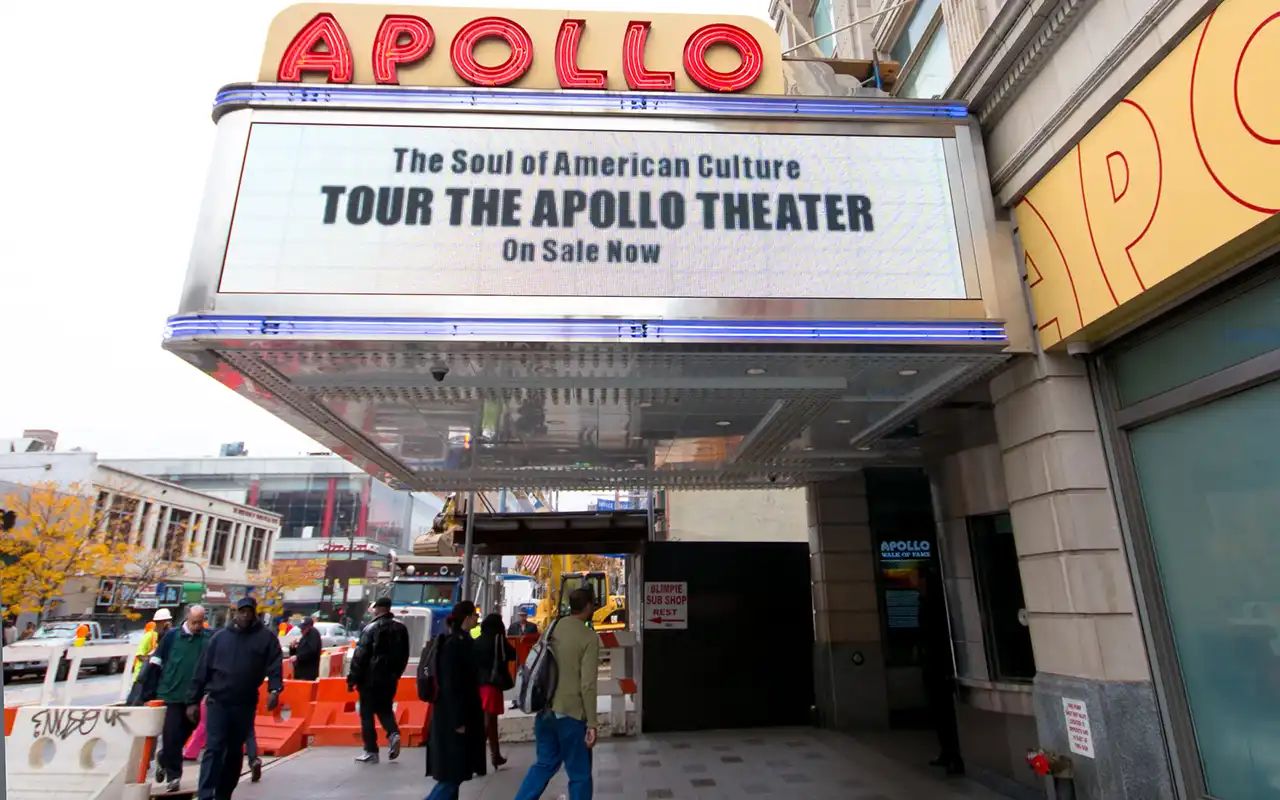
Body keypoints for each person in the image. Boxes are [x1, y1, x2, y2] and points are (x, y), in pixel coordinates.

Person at [189, 596, 283, 800]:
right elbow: (202, 670)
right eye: (242, 611)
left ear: (254, 614)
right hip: (218, 702)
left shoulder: (265, 638)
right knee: (213, 749)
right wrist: (192, 701)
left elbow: (275, 666)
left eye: (249, 612)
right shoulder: (219, 638)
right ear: (235, 613)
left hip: (244, 703)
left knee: (233, 753)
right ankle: (205, 795)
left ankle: (224, 794)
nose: (245, 615)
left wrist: (275, 690)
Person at [512, 588, 600, 800]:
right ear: (588, 606)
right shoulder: (589, 637)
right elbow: (587, 684)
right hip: (570, 714)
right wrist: (593, 723)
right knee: (579, 774)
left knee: (544, 764)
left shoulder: (552, 628)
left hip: (545, 710)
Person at [424, 601, 487, 799]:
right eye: (475, 615)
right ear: (467, 618)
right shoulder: (454, 644)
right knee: (452, 776)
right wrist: (458, 720)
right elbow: (452, 685)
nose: (477, 619)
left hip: (456, 716)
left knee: (455, 773)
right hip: (453, 719)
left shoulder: (459, 640)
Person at [151, 605, 210, 792]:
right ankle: (173, 776)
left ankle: (164, 757)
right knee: (171, 735)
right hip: (172, 694)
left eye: (200, 622)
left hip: (194, 696)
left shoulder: (207, 639)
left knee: (187, 731)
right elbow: (157, 660)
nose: (197, 626)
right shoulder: (172, 637)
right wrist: (148, 689)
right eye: (194, 622)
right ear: (187, 618)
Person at [349, 596, 411, 764]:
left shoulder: (370, 629)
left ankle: (371, 750)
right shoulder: (401, 629)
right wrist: (396, 674)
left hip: (369, 679)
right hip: (389, 679)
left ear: (378, 609)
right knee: (384, 709)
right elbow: (404, 655)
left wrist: (352, 678)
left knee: (367, 714)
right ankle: (393, 733)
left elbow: (360, 655)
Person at [920, 568, 964, 775]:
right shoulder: (925, 601)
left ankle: (953, 755)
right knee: (939, 713)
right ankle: (946, 752)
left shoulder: (937, 605)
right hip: (932, 665)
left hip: (941, 667)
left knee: (946, 714)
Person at [474, 613, 517, 768]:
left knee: (490, 723)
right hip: (492, 685)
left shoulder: (477, 641)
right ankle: (476, 757)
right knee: (489, 722)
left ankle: (495, 755)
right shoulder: (498, 641)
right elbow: (512, 654)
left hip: (478, 685)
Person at [289, 616, 323, 680]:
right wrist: (292, 647)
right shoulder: (304, 637)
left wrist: (297, 657)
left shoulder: (313, 634)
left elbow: (311, 651)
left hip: (307, 673)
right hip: (300, 672)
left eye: (303, 628)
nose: (301, 630)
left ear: (309, 627)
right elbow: (299, 651)